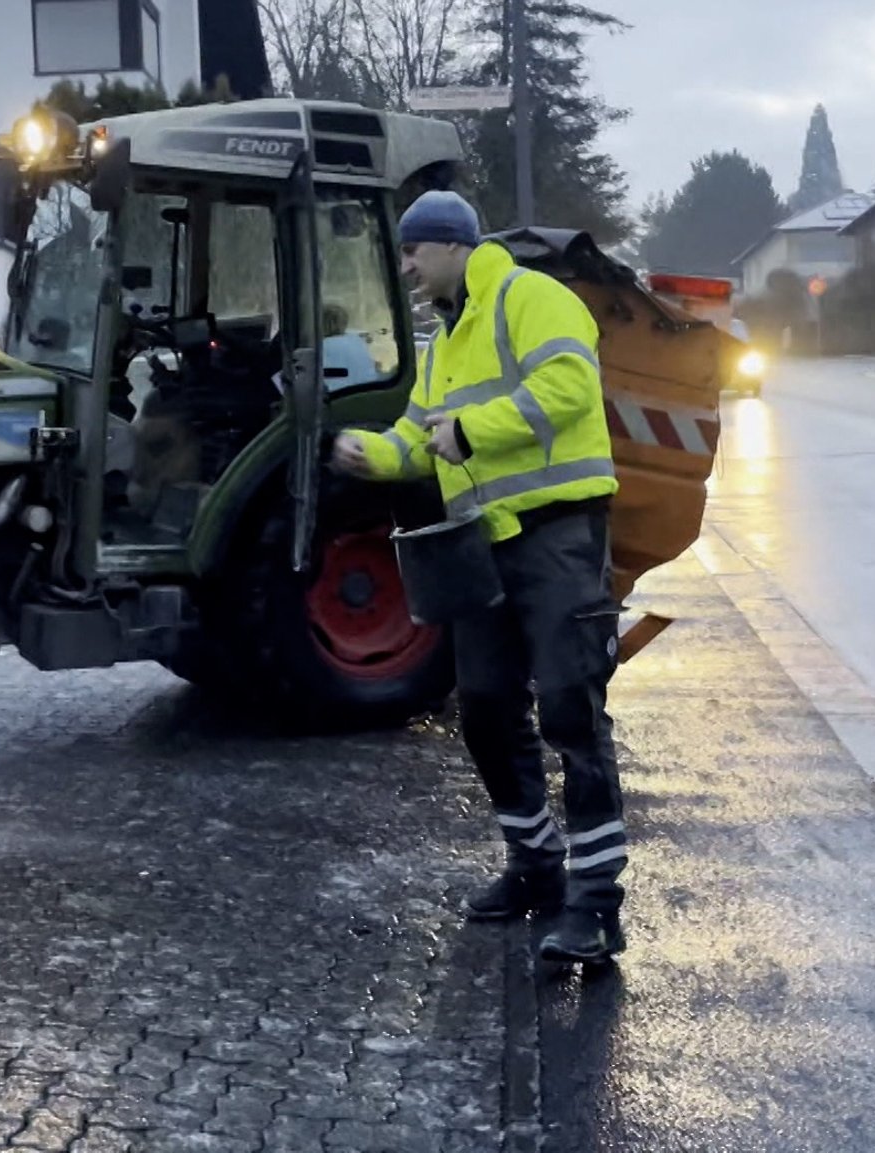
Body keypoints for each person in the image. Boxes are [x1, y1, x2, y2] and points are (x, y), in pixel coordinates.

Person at [331, 190, 628, 964]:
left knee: (570, 705)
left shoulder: (533, 299)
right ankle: (536, 867)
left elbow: (566, 390)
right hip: (483, 546)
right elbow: (418, 436)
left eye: (412, 252)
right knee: (487, 709)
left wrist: (469, 430)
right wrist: (371, 451)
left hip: (557, 534)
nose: (405, 267)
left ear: (453, 247)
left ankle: (596, 905)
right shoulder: (444, 340)